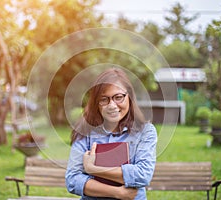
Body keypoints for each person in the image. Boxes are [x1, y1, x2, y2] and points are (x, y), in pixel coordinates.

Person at [65, 68, 157, 200]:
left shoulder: (145, 131)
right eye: (104, 99)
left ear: (129, 97)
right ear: (96, 103)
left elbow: (143, 175)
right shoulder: (85, 131)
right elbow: (73, 180)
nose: (112, 105)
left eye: (118, 97)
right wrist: (118, 192)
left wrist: (92, 168)